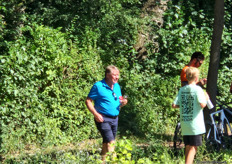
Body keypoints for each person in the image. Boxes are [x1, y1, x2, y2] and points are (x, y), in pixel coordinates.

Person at [85, 65, 128, 162]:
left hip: (115, 118)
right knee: (111, 143)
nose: (117, 77)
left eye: (118, 75)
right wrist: (96, 114)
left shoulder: (117, 86)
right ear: (107, 75)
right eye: (114, 75)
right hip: (102, 118)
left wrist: (123, 103)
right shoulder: (98, 86)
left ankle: (102, 162)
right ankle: (115, 162)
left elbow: (118, 102)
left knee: (106, 143)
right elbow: (88, 101)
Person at [172, 67, 209, 164]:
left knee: (188, 146)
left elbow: (174, 105)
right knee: (193, 148)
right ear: (196, 78)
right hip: (195, 125)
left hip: (185, 123)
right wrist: (206, 98)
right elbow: (203, 104)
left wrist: (185, 104)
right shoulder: (198, 89)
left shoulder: (182, 90)